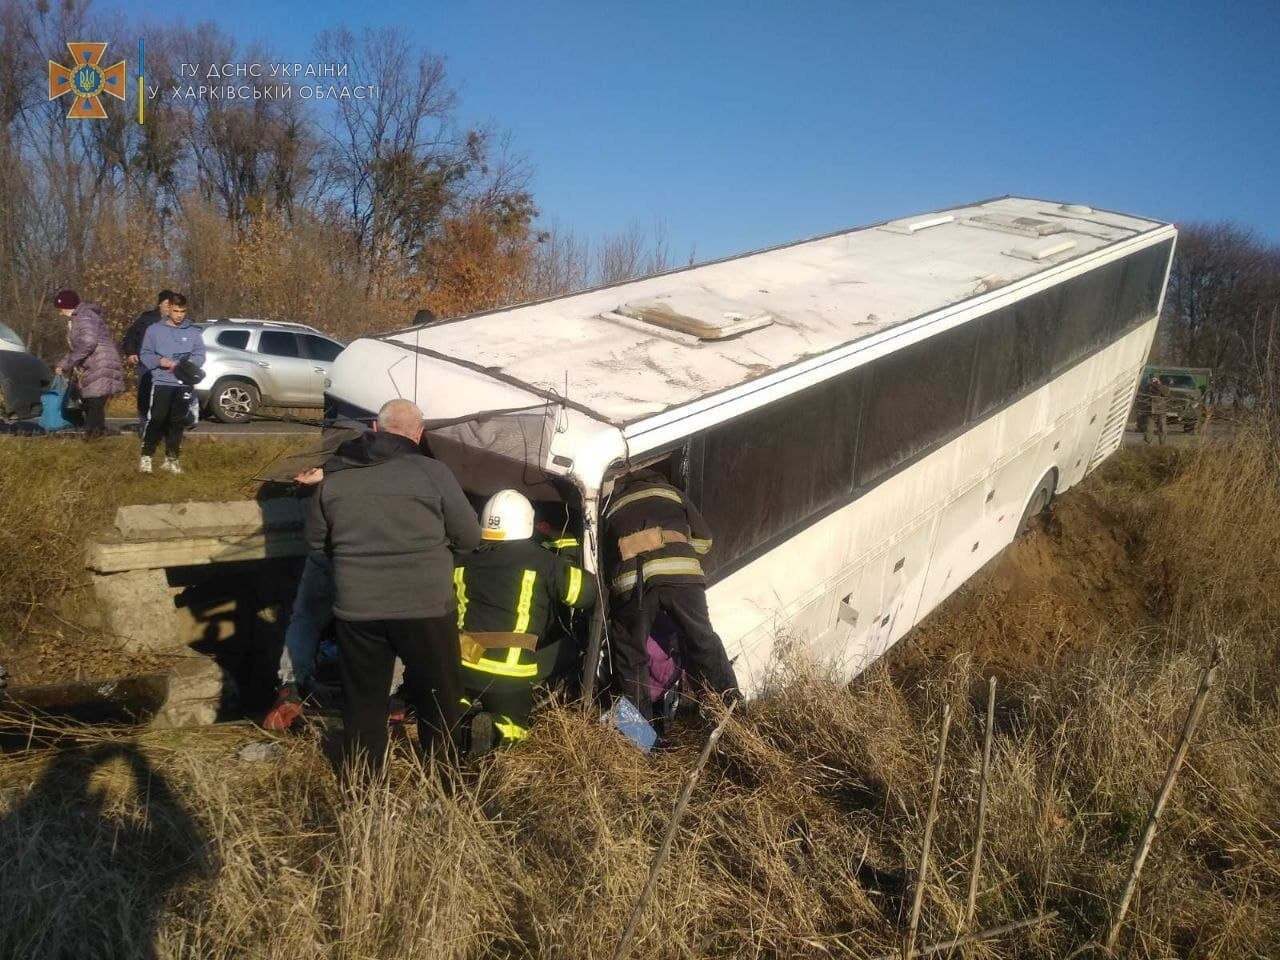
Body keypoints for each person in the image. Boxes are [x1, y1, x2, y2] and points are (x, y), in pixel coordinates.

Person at [306, 398, 481, 774]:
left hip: (358, 609)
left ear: (374, 428)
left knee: (364, 701)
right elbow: (469, 535)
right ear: (419, 434)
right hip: (426, 607)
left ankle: (364, 787)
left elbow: (317, 543)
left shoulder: (335, 476)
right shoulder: (434, 473)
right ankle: (445, 779)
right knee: (440, 696)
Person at [453, 489, 597, 749]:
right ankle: (498, 730)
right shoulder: (541, 561)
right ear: (527, 523)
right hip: (508, 673)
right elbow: (585, 594)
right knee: (516, 727)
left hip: (461, 666)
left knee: (459, 701)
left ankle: (462, 718)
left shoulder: (462, 558)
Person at [603, 468, 740, 721]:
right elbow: (706, 541)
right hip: (681, 573)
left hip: (635, 582)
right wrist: (680, 552)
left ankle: (637, 736)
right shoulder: (672, 493)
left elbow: (605, 561)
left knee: (630, 657)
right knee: (703, 640)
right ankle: (732, 709)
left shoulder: (611, 506)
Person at [138, 293, 203, 474]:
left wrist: (187, 366)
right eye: (176, 311)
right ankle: (146, 456)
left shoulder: (193, 331)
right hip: (162, 381)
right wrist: (160, 361)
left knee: (177, 421)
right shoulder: (154, 330)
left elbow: (200, 354)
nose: (179, 315)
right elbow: (145, 354)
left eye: (182, 311)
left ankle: (172, 458)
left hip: (184, 383)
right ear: (168, 309)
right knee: (157, 418)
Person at [52, 289, 124, 440]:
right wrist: (63, 364)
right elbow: (78, 347)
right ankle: (95, 433)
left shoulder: (83, 317)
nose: (60, 313)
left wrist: (68, 363)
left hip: (99, 362)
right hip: (97, 361)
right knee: (91, 400)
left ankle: (93, 436)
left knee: (94, 400)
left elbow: (88, 343)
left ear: (66, 306)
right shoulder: (80, 317)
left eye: (60, 309)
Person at [120, 290, 175, 424]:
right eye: (167, 304)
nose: (170, 307)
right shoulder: (146, 319)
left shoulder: (176, 321)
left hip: (168, 364)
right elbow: (131, 336)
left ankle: (165, 425)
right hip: (147, 363)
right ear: (160, 304)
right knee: (146, 392)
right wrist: (131, 352)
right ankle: (144, 422)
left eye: (172, 304)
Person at [1141, 375, 1170, 445]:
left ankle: (1162, 444)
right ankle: (1148, 443)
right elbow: (1143, 395)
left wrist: (1158, 385)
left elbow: (1166, 393)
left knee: (1162, 427)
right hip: (1150, 409)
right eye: (1152, 379)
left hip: (1161, 409)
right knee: (1149, 427)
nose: (1154, 381)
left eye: (1155, 379)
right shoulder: (1147, 387)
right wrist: (1150, 385)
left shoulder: (1163, 387)